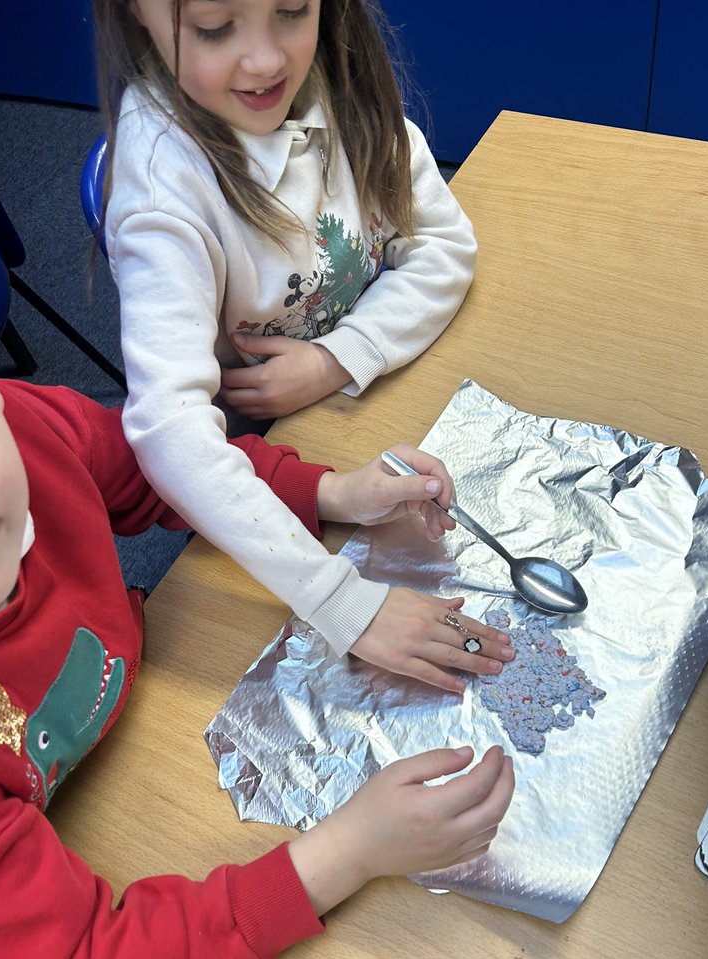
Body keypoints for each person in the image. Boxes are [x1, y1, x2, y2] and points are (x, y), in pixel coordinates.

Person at [0, 265, 514, 959]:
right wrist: (345, 852)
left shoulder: (28, 428)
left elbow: (162, 471)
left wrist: (326, 494)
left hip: (128, 716)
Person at [92, 0, 492, 693]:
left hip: (341, 409)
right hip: (251, 461)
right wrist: (342, 602)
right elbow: (169, 430)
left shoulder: (336, 73)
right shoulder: (165, 184)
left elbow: (444, 244)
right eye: (216, 27)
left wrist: (338, 357)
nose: (268, 60)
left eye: (291, 10)